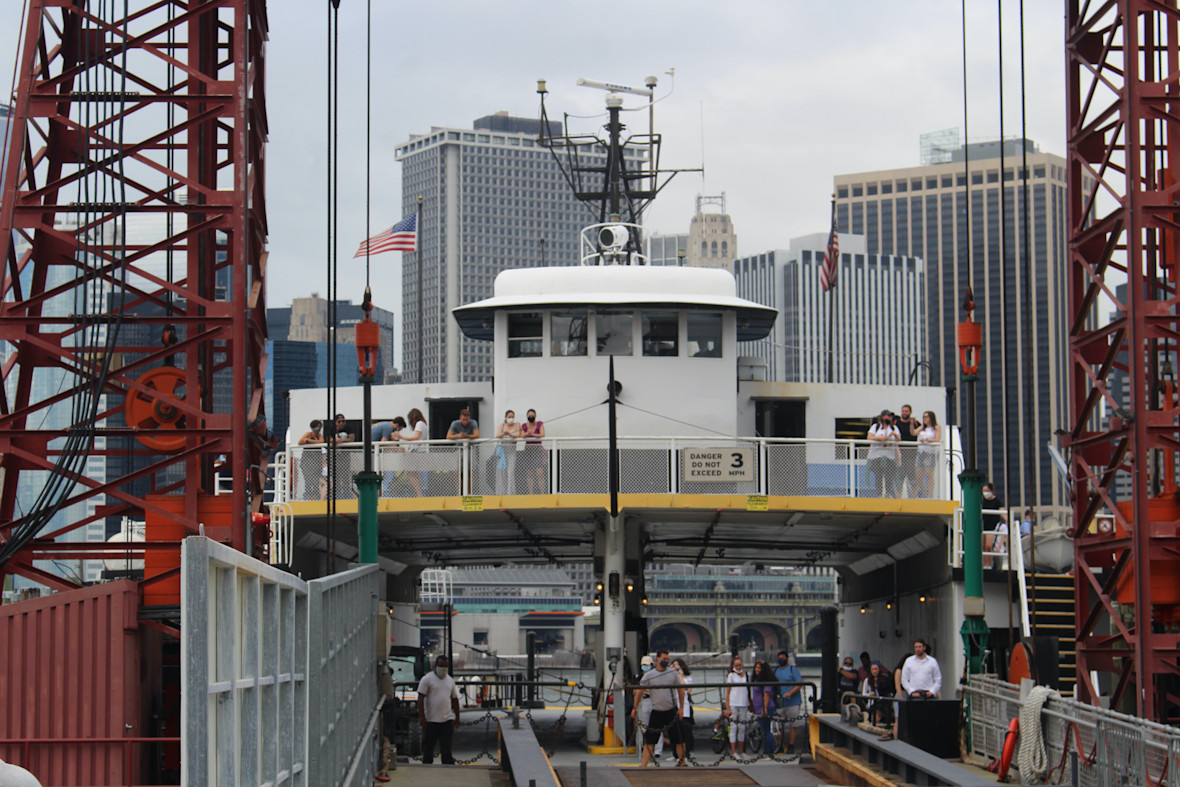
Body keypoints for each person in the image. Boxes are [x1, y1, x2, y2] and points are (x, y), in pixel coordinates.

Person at [630, 650, 685, 767]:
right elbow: (639, 692)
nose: (665, 661)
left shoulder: (673, 674)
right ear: (657, 660)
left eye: (667, 659)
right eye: (663, 659)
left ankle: (682, 762)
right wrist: (634, 708)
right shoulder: (649, 675)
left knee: (678, 739)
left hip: (671, 710)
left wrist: (681, 709)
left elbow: (681, 691)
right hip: (656, 711)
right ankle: (643, 764)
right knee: (650, 740)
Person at [416, 655, 461, 765]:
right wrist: (422, 717)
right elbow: (420, 698)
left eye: (445, 666)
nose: (443, 669)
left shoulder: (450, 680)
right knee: (428, 747)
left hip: (447, 720)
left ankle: (447, 767)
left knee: (446, 747)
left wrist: (457, 717)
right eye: (441, 666)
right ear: (436, 665)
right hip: (430, 720)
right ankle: (427, 767)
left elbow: (454, 699)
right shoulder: (427, 679)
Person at [774, 650, 803, 754]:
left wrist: (790, 693)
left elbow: (799, 684)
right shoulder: (775, 670)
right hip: (779, 702)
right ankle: (779, 744)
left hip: (793, 702)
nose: (781, 659)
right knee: (778, 725)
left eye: (783, 657)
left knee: (793, 724)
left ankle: (791, 745)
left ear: (787, 658)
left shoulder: (792, 669)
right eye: (779, 657)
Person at [866, 410, 901, 497]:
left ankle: (888, 493)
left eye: (890, 416)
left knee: (889, 476)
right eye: (887, 416)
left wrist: (894, 435)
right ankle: (879, 494)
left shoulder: (894, 428)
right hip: (876, 456)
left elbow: (899, 439)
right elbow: (869, 437)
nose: (889, 418)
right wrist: (879, 438)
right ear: (882, 417)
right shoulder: (876, 427)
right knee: (878, 475)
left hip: (889, 457)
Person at [723, 655, 751, 759]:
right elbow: (728, 691)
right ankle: (733, 752)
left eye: (740, 665)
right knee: (734, 727)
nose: (738, 667)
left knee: (742, 727)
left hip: (744, 703)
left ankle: (741, 751)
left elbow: (749, 690)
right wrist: (727, 706)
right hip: (734, 703)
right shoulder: (731, 676)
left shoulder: (747, 675)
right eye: (736, 665)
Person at [399, 408, 429, 496]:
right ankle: (419, 494)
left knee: (410, 474)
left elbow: (416, 437)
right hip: (420, 452)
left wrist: (401, 437)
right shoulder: (423, 424)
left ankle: (419, 494)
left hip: (417, 452)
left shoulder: (419, 424)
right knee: (416, 474)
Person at [750, 660, 776, 758]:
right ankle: (766, 751)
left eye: (759, 668)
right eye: (756, 667)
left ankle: (769, 752)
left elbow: (767, 694)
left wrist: (764, 708)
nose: (757, 670)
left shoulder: (766, 680)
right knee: (763, 731)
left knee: (766, 730)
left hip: (766, 708)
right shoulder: (757, 680)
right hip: (758, 708)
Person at [915, 411, 942, 498]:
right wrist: (912, 424)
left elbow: (937, 439)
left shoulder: (936, 427)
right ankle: (924, 493)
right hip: (921, 452)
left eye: (926, 417)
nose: (924, 419)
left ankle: (930, 495)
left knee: (928, 474)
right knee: (918, 475)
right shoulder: (923, 427)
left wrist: (927, 440)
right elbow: (914, 433)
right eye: (923, 417)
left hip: (930, 452)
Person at [896, 404, 921, 497]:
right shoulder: (896, 423)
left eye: (906, 411)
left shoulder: (915, 423)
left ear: (910, 412)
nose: (904, 413)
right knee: (900, 477)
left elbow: (917, 433)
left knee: (912, 477)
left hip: (912, 454)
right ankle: (898, 497)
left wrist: (911, 424)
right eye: (903, 411)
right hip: (900, 454)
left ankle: (914, 497)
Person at [519, 409, 547, 494]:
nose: (531, 416)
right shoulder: (524, 425)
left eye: (532, 415)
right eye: (529, 415)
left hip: (537, 449)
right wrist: (527, 433)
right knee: (529, 473)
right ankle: (531, 493)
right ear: (527, 416)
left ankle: (542, 493)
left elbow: (542, 434)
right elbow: (521, 435)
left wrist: (532, 434)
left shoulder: (540, 424)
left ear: (535, 416)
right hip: (528, 450)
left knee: (539, 473)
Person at [297, 420, 325, 500]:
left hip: (317, 462)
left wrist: (309, 441)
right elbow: (301, 442)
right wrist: (313, 441)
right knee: (308, 481)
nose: (319, 428)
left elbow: (322, 442)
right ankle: (309, 498)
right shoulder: (308, 434)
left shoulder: (319, 435)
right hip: (307, 462)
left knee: (316, 481)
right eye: (317, 426)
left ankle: (316, 497)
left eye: (320, 427)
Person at [861, 660, 895, 727]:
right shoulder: (867, 680)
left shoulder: (885, 678)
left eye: (876, 669)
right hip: (873, 703)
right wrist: (869, 694)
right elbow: (863, 694)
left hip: (883, 702)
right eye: (873, 669)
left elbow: (889, 690)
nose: (874, 671)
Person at [672, 658, 695, 757]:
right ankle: (675, 753)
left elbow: (687, 688)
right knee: (674, 730)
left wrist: (680, 676)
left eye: (677, 666)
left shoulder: (687, 678)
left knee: (686, 730)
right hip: (673, 705)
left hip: (684, 707)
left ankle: (688, 751)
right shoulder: (671, 678)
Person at [982, 482, 1008, 568]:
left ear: (992, 491)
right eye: (984, 491)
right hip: (982, 526)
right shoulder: (982, 501)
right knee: (982, 547)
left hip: (992, 527)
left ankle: (989, 564)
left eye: (987, 490)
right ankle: (984, 565)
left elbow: (1002, 512)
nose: (985, 493)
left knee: (988, 546)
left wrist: (1009, 520)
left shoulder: (997, 501)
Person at [494, 410, 520, 494]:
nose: (511, 419)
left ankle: (510, 492)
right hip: (503, 450)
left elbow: (518, 435)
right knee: (502, 472)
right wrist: (504, 433)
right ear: (506, 418)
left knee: (510, 471)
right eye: (509, 417)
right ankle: (502, 492)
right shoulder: (502, 425)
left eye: (512, 417)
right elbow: (497, 435)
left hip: (512, 449)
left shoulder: (517, 425)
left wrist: (511, 434)